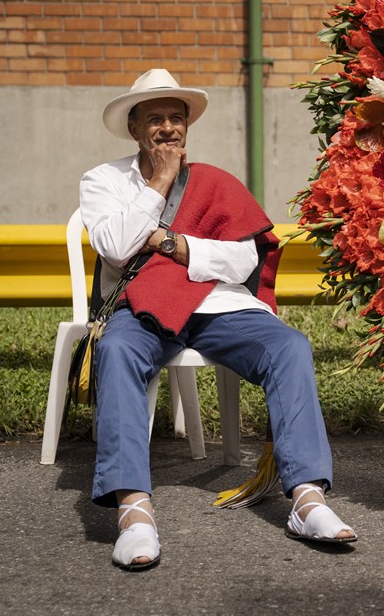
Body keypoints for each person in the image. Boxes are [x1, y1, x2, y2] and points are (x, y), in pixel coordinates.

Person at [82, 68, 356, 571]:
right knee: (117, 349)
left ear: (187, 126)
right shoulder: (103, 180)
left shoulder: (215, 181)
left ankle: (307, 498)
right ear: (134, 128)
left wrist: (173, 244)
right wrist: (160, 180)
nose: (168, 128)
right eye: (155, 119)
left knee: (289, 346)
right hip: (139, 308)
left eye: (176, 118)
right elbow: (118, 248)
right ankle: (133, 512)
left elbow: (243, 262)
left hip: (218, 307)